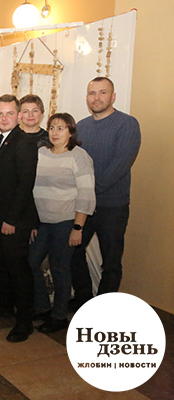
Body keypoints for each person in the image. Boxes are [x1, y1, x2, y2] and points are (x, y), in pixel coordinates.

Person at [69, 77, 141, 309]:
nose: (96, 98)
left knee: (110, 261)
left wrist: (87, 192)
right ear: (87, 97)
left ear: (113, 97)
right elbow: (74, 164)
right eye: (92, 93)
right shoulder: (81, 126)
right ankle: (83, 299)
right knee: (73, 253)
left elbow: (119, 166)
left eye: (102, 92)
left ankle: (103, 309)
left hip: (113, 206)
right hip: (83, 207)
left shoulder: (127, 124)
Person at [30, 113, 95, 333]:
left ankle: (59, 316)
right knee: (31, 262)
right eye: (52, 128)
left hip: (65, 223)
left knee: (60, 268)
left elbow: (86, 195)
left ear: (70, 132)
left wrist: (78, 227)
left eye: (61, 128)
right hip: (42, 223)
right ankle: (42, 306)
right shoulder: (41, 153)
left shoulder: (79, 156)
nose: (55, 133)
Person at [0, 94, 38, 343]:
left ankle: (25, 322)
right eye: (0, 114)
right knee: (0, 264)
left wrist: (12, 220)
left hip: (14, 218)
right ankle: (4, 305)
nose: (4, 118)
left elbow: (25, 185)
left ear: (18, 116)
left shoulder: (24, 142)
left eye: (9, 113)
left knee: (18, 269)